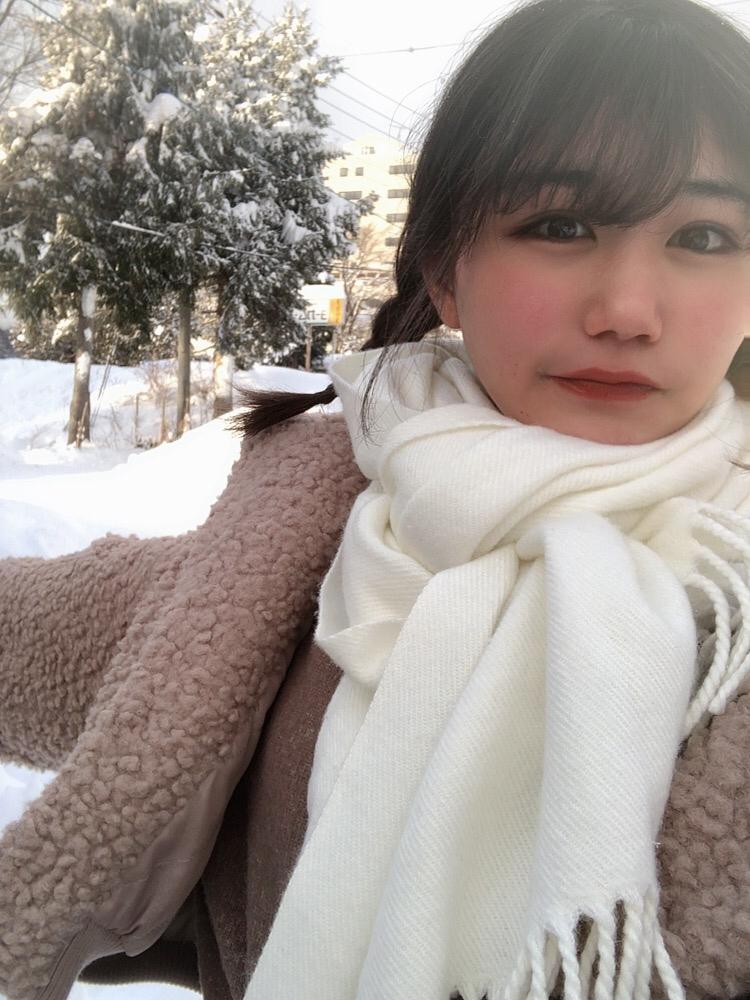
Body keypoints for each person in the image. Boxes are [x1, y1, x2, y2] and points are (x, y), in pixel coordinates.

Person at [3, 0, 750, 998]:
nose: (626, 310)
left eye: (703, 234)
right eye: (559, 225)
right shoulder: (284, 573)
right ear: (446, 270)